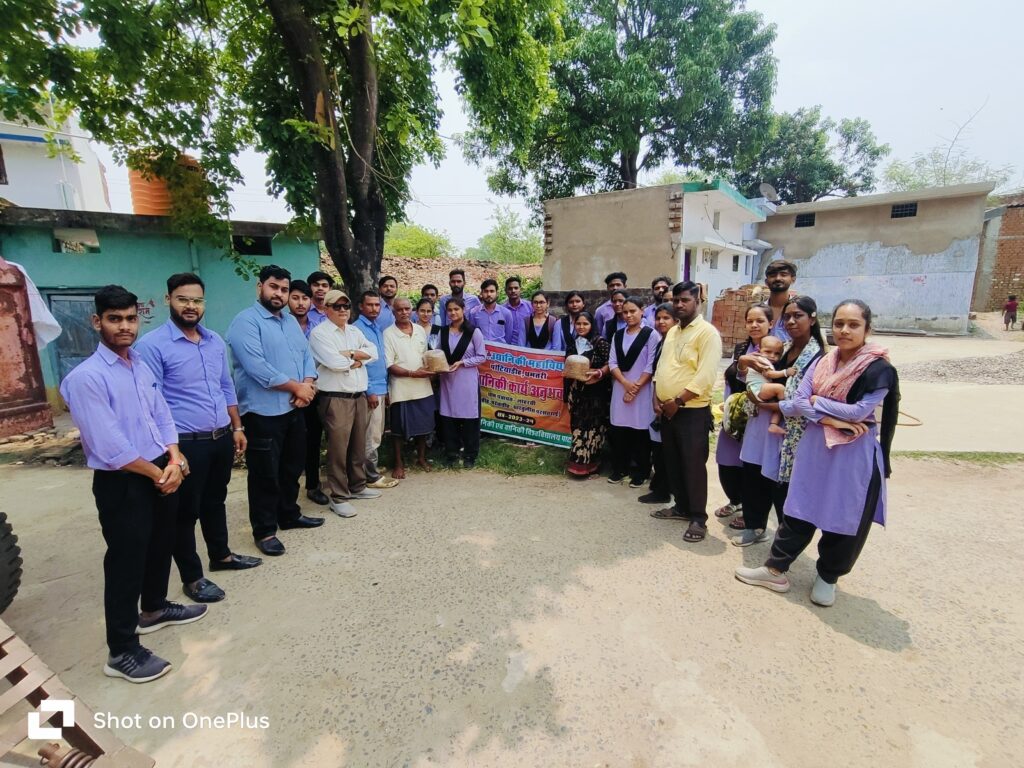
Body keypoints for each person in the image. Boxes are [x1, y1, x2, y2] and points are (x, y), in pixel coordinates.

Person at [61, 285, 204, 684]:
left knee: (161, 543)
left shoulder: (139, 365)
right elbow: (110, 446)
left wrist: (174, 457)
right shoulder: (86, 378)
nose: (124, 326)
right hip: (123, 480)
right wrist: (159, 474)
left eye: (129, 318)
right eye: (114, 319)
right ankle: (121, 650)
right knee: (126, 562)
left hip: (160, 468)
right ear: (97, 322)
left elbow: (162, 415)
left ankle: (154, 608)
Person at [736, 299, 899, 607]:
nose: (845, 330)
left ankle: (828, 577)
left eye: (853, 325)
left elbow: (860, 411)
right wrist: (829, 418)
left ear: (868, 329)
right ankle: (775, 570)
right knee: (800, 506)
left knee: (843, 513)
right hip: (814, 446)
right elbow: (798, 400)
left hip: (852, 453)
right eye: (839, 324)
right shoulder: (824, 361)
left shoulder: (879, 369)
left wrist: (817, 402)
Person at [136, 273, 262, 606]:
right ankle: (192, 577)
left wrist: (237, 427)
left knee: (214, 501)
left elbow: (226, 386)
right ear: (169, 300)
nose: (190, 306)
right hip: (184, 444)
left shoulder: (214, 341)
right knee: (183, 513)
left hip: (220, 437)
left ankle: (221, 555)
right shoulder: (152, 346)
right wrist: (172, 453)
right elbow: (150, 403)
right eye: (183, 299)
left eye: (196, 300)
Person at [226, 265, 324, 558]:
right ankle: (265, 530)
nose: (279, 294)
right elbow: (257, 367)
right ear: (260, 287)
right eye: (274, 287)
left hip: (294, 408)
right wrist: (297, 388)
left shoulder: (290, 322)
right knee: (264, 474)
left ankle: (289, 514)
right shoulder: (245, 322)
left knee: (292, 466)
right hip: (263, 412)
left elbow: (306, 356)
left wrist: (308, 384)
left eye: (284, 289)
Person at [650, 281, 722, 543]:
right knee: (673, 461)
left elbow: (706, 376)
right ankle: (681, 507)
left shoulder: (707, 333)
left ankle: (698, 518)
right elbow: (662, 366)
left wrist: (678, 401)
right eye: (676, 300)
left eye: (685, 300)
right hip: (667, 409)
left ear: (698, 301)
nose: (679, 304)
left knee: (693, 465)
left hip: (691, 411)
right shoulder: (672, 332)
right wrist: (657, 397)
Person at [308, 289, 383, 518]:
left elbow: (374, 352)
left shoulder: (353, 331)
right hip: (335, 398)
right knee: (338, 449)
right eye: (336, 306)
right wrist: (358, 358)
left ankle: (357, 486)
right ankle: (339, 496)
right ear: (326, 309)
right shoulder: (319, 333)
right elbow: (334, 363)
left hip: (358, 396)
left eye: (346, 306)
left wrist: (349, 354)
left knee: (358, 445)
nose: (342, 310)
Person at [714, 305, 772, 527]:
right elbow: (732, 378)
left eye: (760, 321)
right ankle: (735, 500)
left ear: (770, 324)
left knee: (752, 468)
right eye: (750, 321)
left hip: (759, 415)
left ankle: (751, 513)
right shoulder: (740, 349)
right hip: (735, 415)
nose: (754, 325)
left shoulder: (775, 349)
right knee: (726, 461)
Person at [607, 296, 660, 486]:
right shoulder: (618, 335)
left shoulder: (651, 335)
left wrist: (635, 387)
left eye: (632, 311)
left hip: (642, 391)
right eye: (625, 312)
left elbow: (651, 364)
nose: (628, 315)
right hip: (620, 389)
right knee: (620, 431)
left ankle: (641, 471)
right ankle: (620, 468)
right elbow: (612, 362)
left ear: (642, 310)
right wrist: (625, 383)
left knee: (640, 432)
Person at [384, 297, 436, 478]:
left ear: (412, 310)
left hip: (423, 386)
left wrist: (432, 369)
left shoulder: (420, 330)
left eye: (407, 309)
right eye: (399, 310)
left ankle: (421, 458)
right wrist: (413, 373)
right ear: (394, 312)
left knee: (424, 426)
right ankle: (399, 463)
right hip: (401, 388)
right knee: (398, 430)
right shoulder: (388, 334)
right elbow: (389, 365)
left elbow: (426, 355)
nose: (404, 312)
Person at [288, 279, 329, 506]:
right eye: (295, 298)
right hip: (287, 392)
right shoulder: (282, 325)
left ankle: (313, 485)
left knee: (313, 439)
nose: (300, 303)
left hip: (314, 390)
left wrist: (308, 385)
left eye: (304, 298)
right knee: (291, 444)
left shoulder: (319, 326)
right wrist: (296, 387)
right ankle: (287, 494)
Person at [354, 290, 400, 490]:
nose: (374, 309)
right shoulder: (357, 330)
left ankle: (369, 469)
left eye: (377, 305)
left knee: (376, 433)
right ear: (361, 306)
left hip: (381, 388)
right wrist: (370, 390)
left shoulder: (376, 328)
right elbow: (359, 365)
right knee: (370, 435)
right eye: (370, 305)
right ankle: (370, 477)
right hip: (369, 390)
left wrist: (385, 389)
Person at [437, 297, 487, 467]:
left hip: (467, 380)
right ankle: (451, 453)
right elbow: (438, 352)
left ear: (463, 310)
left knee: (469, 417)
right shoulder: (443, 332)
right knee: (448, 416)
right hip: (448, 379)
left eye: (456, 309)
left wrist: (463, 362)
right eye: (450, 310)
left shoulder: (473, 332)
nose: (453, 313)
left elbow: (482, 356)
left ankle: (470, 455)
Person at [564, 311, 611, 477]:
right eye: (578, 324)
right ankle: (577, 464)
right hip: (577, 393)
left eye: (585, 324)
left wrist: (598, 373)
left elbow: (611, 364)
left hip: (596, 394)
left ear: (592, 325)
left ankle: (592, 464)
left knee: (592, 428)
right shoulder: (573, 343)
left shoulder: (600, 343)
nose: (581, 327)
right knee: (578, 427)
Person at [639, 303, 677, 504]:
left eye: (666, 318)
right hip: (658, 400)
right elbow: (657, 375)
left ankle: (664, 490)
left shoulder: (675, 343)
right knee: (658, 446)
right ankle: (660, 484)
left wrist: (665, 401)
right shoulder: (663, 341)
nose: (661, 322)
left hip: (672, 403)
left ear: (676, 320)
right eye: (659, 318)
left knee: (666, 449)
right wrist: (655, 400)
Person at [744, 335, 789, 435]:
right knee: (781, 389)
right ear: (759, 350)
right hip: (757, 388)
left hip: (761, 389)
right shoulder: (761, 360)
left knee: (779, 404)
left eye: (777, 354)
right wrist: (785, 372)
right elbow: (769, 374)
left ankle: (773, 424)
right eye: (768, 352)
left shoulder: (767, 360)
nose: (772, 356)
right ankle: (785, 405)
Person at [469, 278, 515, 343]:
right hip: (480, 348)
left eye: (492, 291)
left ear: (497, 293)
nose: (489, 294)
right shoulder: (474, 312)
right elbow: (472, 334)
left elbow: (508, 336)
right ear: (481, 293)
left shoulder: (506, 313)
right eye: (486, 291)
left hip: (500, 348)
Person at [762, 260, 797, 341]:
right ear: (766, 282)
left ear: (793, 279)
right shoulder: (759, 311)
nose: (778, 278)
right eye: (773, 275)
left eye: (783, 274)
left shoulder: (800, 310)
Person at [501, 275, 533, 346]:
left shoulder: (530, 306)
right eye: (510, 288)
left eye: (516, 288)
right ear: (506, 291)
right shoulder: (502, 310)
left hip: (528, 346)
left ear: (520, 289)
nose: (513, 291)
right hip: (509, 346)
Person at [594, 272, 627, 337]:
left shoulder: (634, 307)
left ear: (625, 286)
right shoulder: (600, 311)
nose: (615, 288)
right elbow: (599, 334)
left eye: (618, 285)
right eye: (611, 285)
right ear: (607, 288)